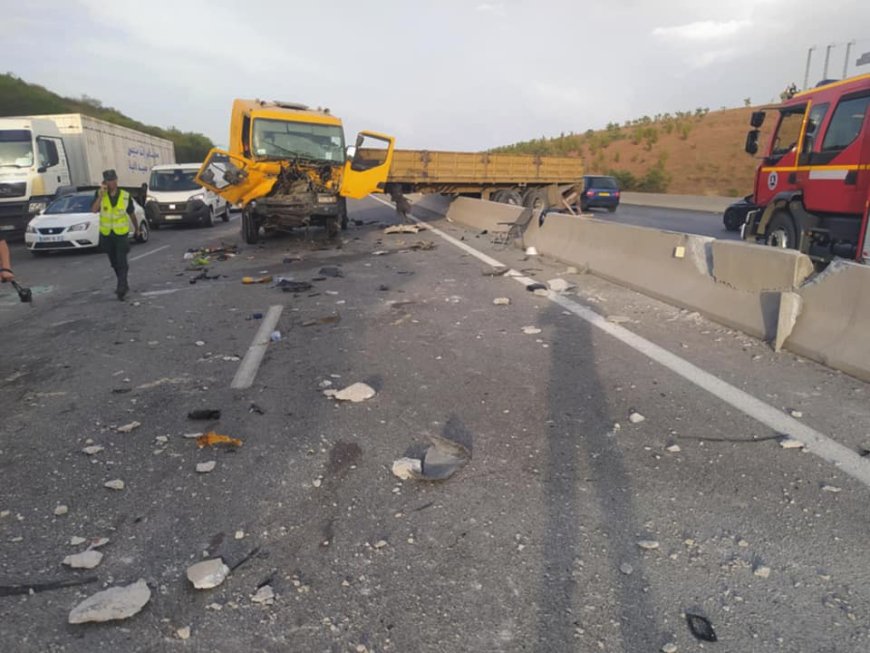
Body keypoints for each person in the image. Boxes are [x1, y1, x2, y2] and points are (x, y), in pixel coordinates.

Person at [90, 169, 139, 300]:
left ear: (117, 180)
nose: (112, 183)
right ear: (104, 182)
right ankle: (123, 284)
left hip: (121, 234)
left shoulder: (124, 195)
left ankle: (121, 287)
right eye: (109, 180)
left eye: (113, 180)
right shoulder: (100, 194)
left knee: (122, 261)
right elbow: (94, 210)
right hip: (107, 234)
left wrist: (137, 229)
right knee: (114, 262)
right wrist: (101, 195)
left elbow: (132, 214)